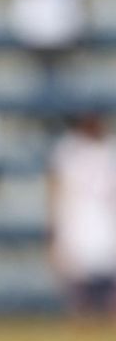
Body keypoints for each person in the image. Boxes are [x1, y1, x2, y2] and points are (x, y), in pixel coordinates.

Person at [48, 112, 116, 318]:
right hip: (78, 225)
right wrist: (55, 235)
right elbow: (56, 192)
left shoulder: (110, 149)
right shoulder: (68, 151)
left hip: (107, 224)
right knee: (79, 297)